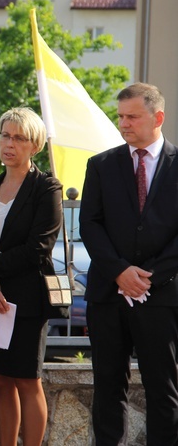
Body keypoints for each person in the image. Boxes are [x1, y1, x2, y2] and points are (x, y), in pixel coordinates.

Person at [80, 83, 178, 445]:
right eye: (120, 116)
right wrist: (119, 271)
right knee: (107, 386)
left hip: (162, 295)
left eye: (132, 117)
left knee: (162, 387)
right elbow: (89, 224)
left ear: (158, 117)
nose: (123, 124)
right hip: (108, 294)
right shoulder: (102, 164)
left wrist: (149, 278)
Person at [0, 108, 64, 446]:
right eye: (5, 136)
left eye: (19, 138)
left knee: (26, 379)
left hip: (26, 298)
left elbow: (39, 246)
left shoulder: (46, 188)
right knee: (1, 380)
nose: (9, 143)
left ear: (34, 145)